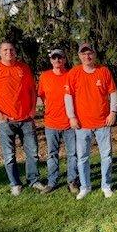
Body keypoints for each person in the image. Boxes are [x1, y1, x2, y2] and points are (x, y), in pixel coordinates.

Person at [0, 40, 45, 196]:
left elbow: (32, 91)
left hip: (26, 120)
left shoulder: (23, 68)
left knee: (33, 153)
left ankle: (34, 180)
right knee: (9, 155)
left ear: (15, 52)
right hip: (6, 121)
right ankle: (15, 184)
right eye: (5, 50)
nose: (8, 52)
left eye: (11, 49)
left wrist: (32, 110)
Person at [65, 43, 117, 200]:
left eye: (90, 53)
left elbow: (113, 92)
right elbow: (68, 97)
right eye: (83, 54)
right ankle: (85, 186)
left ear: (94, 55)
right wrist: (71, 117)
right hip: (82, 124)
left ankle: (106, 186)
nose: (87, 57)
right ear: (79, 56)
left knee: (106, 156)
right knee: (82, 157)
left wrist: (113, 112)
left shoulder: (103, 71)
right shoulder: (74, 73)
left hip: (103, 122)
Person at [37, 49, 79, 194]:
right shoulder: (45, 76)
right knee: (52, 154)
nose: (57, 60)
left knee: (72, 154)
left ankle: (72, 181)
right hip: (51, 123)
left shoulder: (71, 75)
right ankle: (52, 182)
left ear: (64, 59)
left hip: (69, 124)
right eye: (54, 58)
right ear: (51, 60)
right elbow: (42, 95)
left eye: (60, 57)